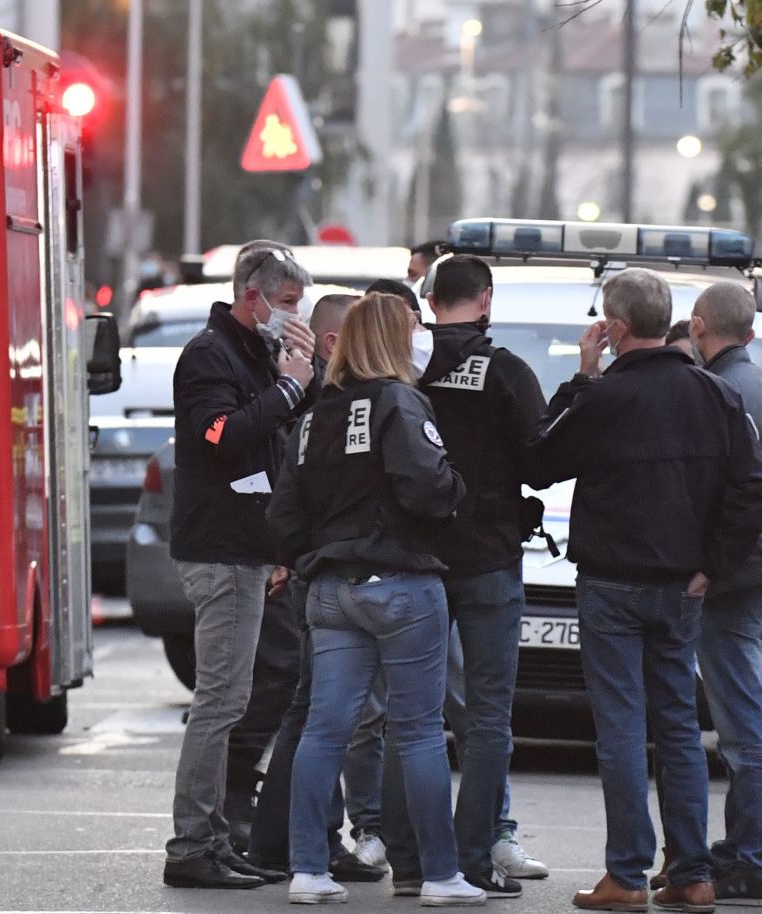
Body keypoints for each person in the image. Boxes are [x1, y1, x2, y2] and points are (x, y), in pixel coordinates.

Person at [524, 267, 762, 912]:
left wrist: (583, 375)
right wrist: (714, 564)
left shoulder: (604, 398)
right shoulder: (715, 395)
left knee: (619, 730)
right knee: (679, 729)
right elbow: (758, 489)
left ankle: (628, 877)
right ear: (668, 322)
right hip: (680, 587)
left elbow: (539, 463)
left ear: (612, 327)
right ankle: (692, 873)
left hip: (612, 582)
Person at [266, 291, 482, 907]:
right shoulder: (401, 400)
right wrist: (456, 488)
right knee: (417, 733)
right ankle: (440, 874)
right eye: (411, 326)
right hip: (402, 586)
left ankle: (307, 868)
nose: (421, 334)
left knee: (324, 729)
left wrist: (316, 552)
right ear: (391, 341)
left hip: (330, 589)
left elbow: (283, 515)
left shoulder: (312, 418)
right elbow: (427, 487)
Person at [380, 254, 549, 899]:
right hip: (488, 560)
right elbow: (541, 460)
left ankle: (410, 861)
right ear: (485, 300)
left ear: (427, 301)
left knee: (411, 716)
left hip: (414, 559)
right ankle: (472, 859)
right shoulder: (505, 371)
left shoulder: (404, 369)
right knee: (487, 720)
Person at [163, 244, 317, 890]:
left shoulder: (250, 352)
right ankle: (192, 843)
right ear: (252, 296)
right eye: (286, 305)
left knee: (233, 697)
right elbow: (222, 437)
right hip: (221, 549)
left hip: (246, 547)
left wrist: (298, 384)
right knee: (220, 701)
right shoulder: (209, 354)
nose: (292, 317)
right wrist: (288, 386)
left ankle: (215, 837)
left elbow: (274, 443)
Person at [247, 292, 387, 884]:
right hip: (339, 577)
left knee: (312, 714)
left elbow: (286, 507)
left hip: (314, 572)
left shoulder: (313, 409)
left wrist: (297, 557)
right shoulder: (346, 408)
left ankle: (287, 841)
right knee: (324, 718)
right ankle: (306, 843)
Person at [686, 283, 762, 905]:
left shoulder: (723, 391)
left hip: (736, 578)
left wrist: (710, 564)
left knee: (742, 729)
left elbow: (748, 492)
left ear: (700, 326)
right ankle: (751, 848)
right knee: (749, 719)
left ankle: (755, 858)